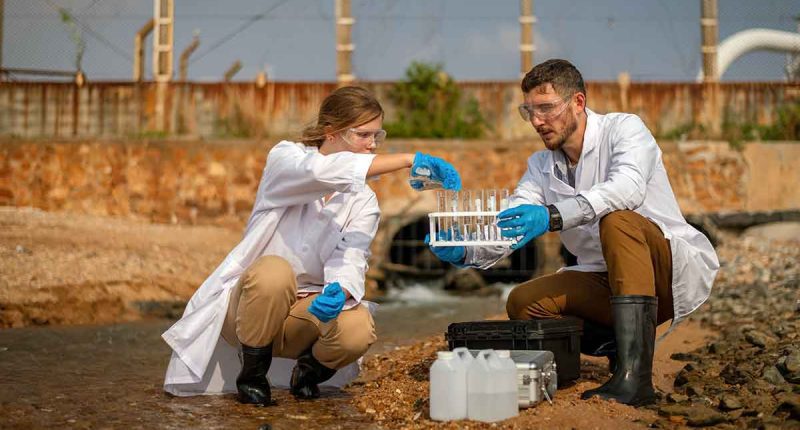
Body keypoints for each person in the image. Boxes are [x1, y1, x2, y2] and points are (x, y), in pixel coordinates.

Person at [427, 59, 719, 406]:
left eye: (547, 108)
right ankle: (617, 347)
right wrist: (466, 251)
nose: (537, 121)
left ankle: (635, 379)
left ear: (578, 102)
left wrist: (552, 216)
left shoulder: (624, 130)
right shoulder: (541, 165)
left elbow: (626, 188)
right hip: (603, 280)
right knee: (522, 303)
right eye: (529, 111)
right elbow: (513, 221)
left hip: (663, 273)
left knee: (618, 220)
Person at [162, 86, 462, 406]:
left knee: (357, 327)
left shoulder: (363, 200)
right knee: (275, 273)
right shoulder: (286, 159)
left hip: (302, 314)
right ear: (331, 133)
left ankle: (308, 371)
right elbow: (320, 171)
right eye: (365, 135)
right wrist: (407, 159)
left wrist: (342, 289)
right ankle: (252, 375)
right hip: (248, 311)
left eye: (378, 135)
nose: (373, 145)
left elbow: (352, 255)